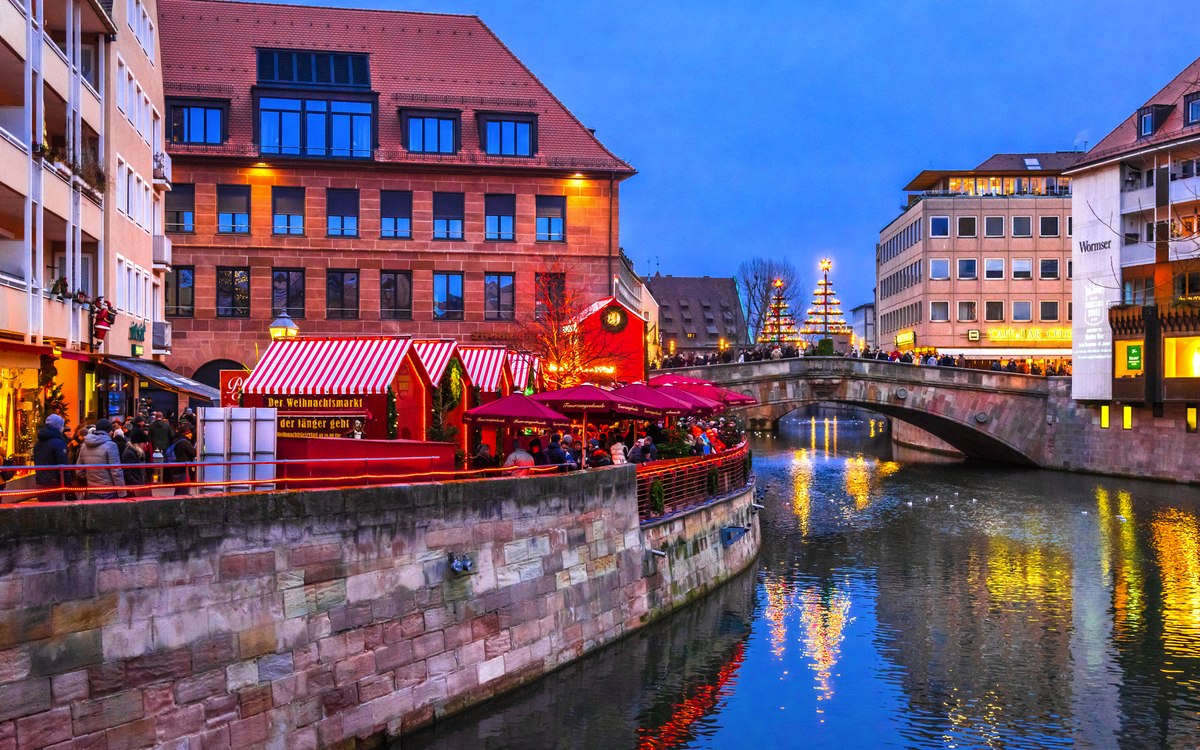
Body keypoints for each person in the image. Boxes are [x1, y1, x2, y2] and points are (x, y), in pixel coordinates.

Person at [76, 418, 126, 500]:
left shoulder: (84, 446)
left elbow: (79, 470)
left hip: (91, 490)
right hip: (109, 491)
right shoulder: (111, 446)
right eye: (111, 430)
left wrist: (91, 477)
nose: (112, 432)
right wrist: (122, 492)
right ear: (108, 431)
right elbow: (116, 471)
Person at [32, 413, 70, 501]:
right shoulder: (59, 444)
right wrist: (69, 490)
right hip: (55, 486)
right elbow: (64, 469)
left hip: (40, 484)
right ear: (59, 427)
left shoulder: (38, 444)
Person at [165, 427, 196, 495]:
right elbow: (194, 453)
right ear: (186, 434)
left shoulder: (176, 441)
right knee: (183, 489)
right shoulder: (185, 442)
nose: (191, 435)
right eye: (189, 433)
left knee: (178, 489)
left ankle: (176, 502)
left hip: (174, 468)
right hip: (182, 469)